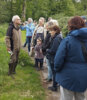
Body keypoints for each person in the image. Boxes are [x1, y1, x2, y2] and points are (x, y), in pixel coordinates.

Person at [54, 16, 87, 100]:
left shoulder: (67, 40)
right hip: (83, 76)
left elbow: (58, 59)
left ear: (71, 26)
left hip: (67, 77)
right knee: (81, 97)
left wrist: (57, 69)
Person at [46, 25, 62, 91]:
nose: (50, 32)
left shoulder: (57, 38)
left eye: (51, 30)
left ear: (55, 31)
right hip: (54, 57)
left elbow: (54, 50)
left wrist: (47, 50)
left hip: (54, 58)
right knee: (55, 72)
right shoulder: (57, 37)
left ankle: (54, 86)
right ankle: (56, 84)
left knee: (54, 72)